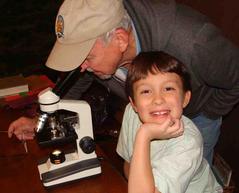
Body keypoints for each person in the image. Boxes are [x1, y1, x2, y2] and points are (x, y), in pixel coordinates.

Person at [8, 0, 239, 165]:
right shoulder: (100, 45)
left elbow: (236, 78)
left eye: (87, 57)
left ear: (120, 39)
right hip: (143, 115)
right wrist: (42, 120)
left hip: (197, 115)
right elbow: (76, 79)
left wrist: (207, 113)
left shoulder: (194, 41)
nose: (82, 67)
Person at [116, 51, 222, 193]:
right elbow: (129, 165)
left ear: (185, 98)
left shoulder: (188, 142)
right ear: (134, 103)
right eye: (146, 91)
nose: (158, 99)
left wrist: (144, 135)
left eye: (168, 88)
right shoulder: (132, 113)